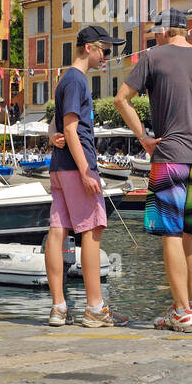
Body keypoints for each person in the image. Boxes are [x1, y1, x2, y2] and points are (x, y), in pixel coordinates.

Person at [117, 8, 192, 333]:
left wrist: (144, 137)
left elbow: (121, 99)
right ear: (187, 31)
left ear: (165, 31)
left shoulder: (153, 57)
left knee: (170, 233)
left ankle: (179, 312)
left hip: (168, 157)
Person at [44, 26, 126, 328]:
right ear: (89, 48)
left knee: (58, 232)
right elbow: (70, 128)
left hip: (58, 167)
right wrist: (86, 172)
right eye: (105, 51)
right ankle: (94, 308)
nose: (107, 57)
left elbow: (56, 126)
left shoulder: (64, 79)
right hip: (77, 168)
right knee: (92, 231)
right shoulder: (77, 81)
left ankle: (58, 308)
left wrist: (52, 138)